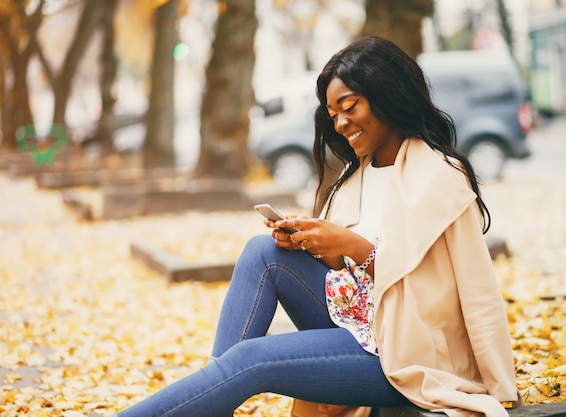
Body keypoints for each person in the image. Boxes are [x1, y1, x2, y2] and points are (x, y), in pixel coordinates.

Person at [111, 36, 520, 417]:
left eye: (351, 105)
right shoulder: (354, 177)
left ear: (387, 95)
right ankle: (211, 398)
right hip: (357, 322)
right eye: (333, 113)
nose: (340, 123)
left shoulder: (440, 175)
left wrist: (499, 386)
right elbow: (351, 275)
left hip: (407, 351)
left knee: (250, 360)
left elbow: (469, 288)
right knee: (263, 251)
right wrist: (325, 249)